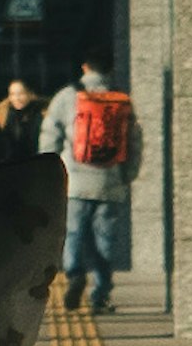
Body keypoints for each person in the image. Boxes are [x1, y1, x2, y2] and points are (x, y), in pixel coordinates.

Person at [50, 59, 139, 309]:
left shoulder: (68, 96)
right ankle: (100, 294)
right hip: (110, 182)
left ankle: (75, 274)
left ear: (85, 66)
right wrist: (126, 175)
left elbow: (50, 135)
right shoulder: (120, 98)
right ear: (109, 69)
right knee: (105, 239)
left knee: (73, 233)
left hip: (75, 181)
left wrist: (52, 172)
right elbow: (135, 140)